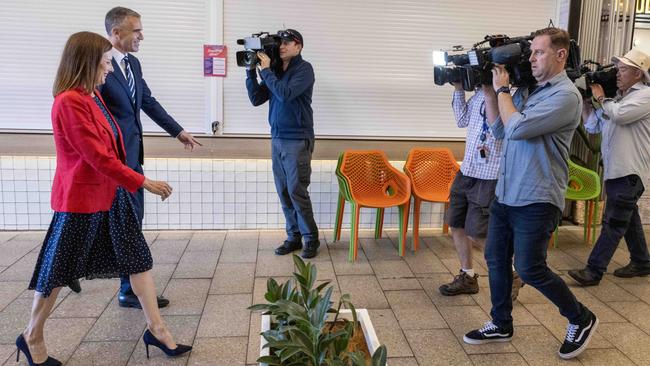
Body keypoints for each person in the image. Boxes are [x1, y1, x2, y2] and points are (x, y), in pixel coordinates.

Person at [19, 31, 191, 366]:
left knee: (138, 259)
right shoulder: (69, 101)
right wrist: (143, 182)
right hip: (81, 200)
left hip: (112, 194)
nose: (110, 69)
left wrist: (130, 181)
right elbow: (97, 157)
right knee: (57, 271)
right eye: (106, 61)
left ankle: (157, 329)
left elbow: (112, 148)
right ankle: (32, 334)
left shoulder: (92, 96)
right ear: (87, 61)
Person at [463, 28, 598, 360]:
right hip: (508, 193)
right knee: (495, 259)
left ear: (560, 55)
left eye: (538, 52)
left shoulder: (565, 96)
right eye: (532, 53)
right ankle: (501, 323)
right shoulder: (529, 91)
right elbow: (500, 129)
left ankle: (581, 318)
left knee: (530, 266)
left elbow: (519, 128)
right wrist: (489, 90)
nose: (531, 59)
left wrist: (504, 89)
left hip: (537, 197)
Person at [68, 7, 201, 308]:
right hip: (110, 162)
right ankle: (81, 271)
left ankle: (128, 288)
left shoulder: (133, 63)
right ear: (116, 33)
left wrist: (178, 132)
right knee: (106, 224)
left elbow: (147, 102)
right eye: (136, 30)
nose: (142, 35)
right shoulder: (99, 68)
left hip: (132, 158)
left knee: (130, 223)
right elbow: (92, 112)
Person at [568, 48, 650, 286]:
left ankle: (593, 271)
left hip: (630, 173)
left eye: (623, 69)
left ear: (638, 73)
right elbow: (594, 126)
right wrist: (586, 102)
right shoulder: (619, 98)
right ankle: (642, 262)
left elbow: (620, 116)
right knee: (628, 218)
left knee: (613, 222)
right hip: (616, 172)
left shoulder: (644, 96)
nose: (617, 73)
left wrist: (602, 98)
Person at [439, 82, 524, 301]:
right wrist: (458, 87)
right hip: (467, 170)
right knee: (456, 223)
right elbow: (461, 120)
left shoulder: (513, 96)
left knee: (478, 233)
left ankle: (512, 273)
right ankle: (467, 276)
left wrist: (493, 92)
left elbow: (508, 130)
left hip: (491, 174)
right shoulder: (479, 93)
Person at [245, 28, 320, 258]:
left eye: (288, 42)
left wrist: (266, 71)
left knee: (297, 191)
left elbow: (285, 94)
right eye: (280, 43)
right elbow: (257, 99)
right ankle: (294, 236)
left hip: (297, 138)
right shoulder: (275, 70)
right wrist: (251, 73)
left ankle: (311, 239)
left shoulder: (304, 69)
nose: (282, 46)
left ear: (299, 46)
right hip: (277, 138)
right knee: (284, 191)